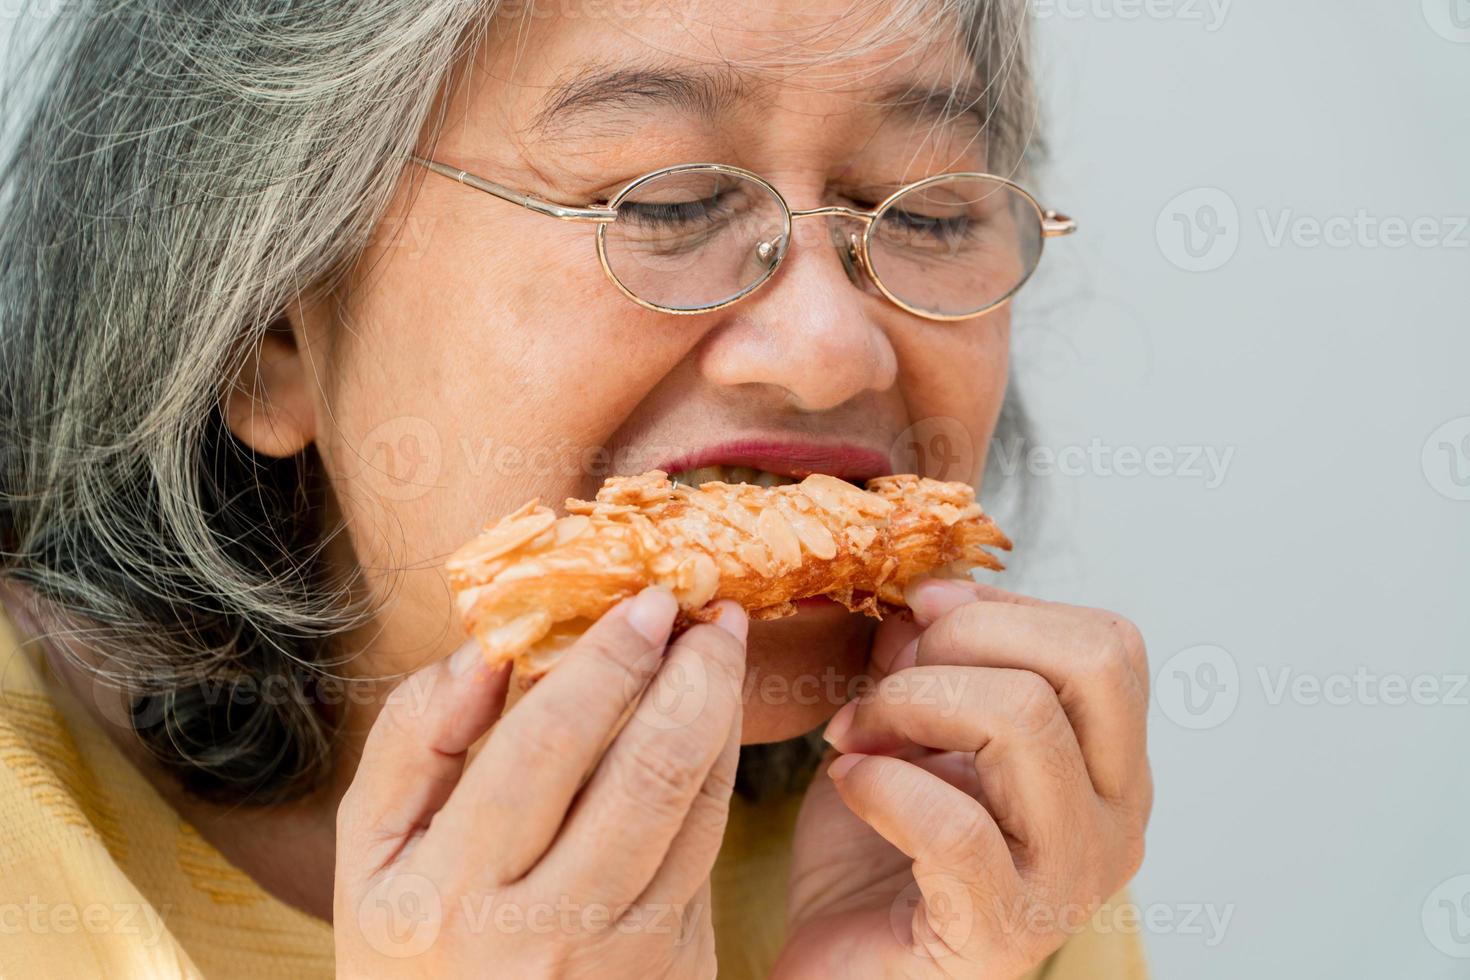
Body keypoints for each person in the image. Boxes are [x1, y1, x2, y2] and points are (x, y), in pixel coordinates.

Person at [0, 0, 1152, 976]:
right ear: (267, 328)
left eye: (931, 208)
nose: (830, 349)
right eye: (665, 203)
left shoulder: (968, 839)